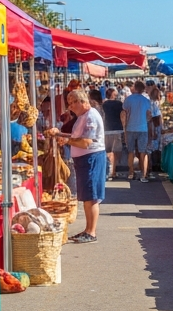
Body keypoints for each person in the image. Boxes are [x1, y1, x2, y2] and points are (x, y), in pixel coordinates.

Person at [49, 89, 104, 244]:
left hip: (91, 158)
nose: (70, 106)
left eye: (73, 102)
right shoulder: (82, 117)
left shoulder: (91, 116)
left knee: (91, 196)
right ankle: (88, 230)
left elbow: (86, 142)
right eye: (69, 103)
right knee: (86, 195)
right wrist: (61, 135)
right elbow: (76, 138)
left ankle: (91, 232)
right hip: (84, 159)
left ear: (82, 101)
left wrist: (66, 141)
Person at [122, 80, 154, 182]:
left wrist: (124, 126)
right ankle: (143, 175)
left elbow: (125, 113)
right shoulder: (146, 100)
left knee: (130, 151)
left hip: (130, 127)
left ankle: (131, 173)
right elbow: (149, 115)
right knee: (142, 152)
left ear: (135, 88)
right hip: (143, 128)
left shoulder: (128, 99)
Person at [101, 86, 125, 179]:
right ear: (113, 94)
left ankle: (108, 169)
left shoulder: (104, 104)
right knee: (116, 151)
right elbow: (123, 115)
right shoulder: (119, 104)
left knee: (108, 150)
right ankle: (113, 171)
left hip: (107, 129)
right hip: (117, 129)